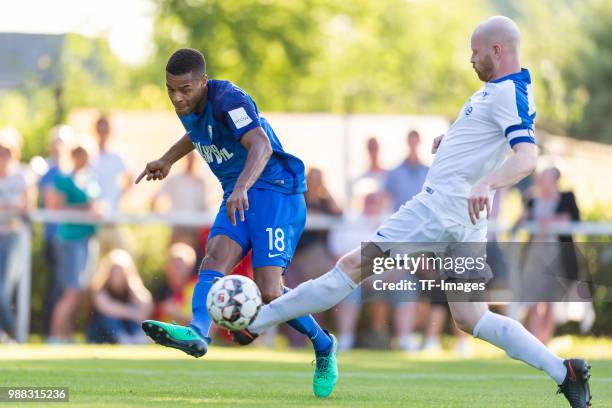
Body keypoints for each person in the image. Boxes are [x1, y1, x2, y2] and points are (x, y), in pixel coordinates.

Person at [234, 16, 591, 407]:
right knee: (471, 318)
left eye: (475, 51)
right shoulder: (499, 89)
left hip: (440, 209)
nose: (470, 59)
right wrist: (452, 138)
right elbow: (487, 137)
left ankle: (255, 322)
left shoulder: (508, 93)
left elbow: (526, 156)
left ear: (497, 50)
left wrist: (487, 183)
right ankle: (565, 371)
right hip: (465, 220)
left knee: (352, 267)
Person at [136, 48, 337, 397]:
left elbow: (260, 145)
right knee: (214, 257)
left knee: (270, 289)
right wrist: (167, 160)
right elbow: (198, 134)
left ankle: (323, 345)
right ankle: (198, 332)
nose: (177, 98)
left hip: (276, 191)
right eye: (171, 90)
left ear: (203, 81)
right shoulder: (190, 106)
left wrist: (241, 186)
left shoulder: (228, 98)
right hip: (239, 191)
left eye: (185, 89)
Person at [519, 167, 581, 344]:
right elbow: (523, 221)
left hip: (557, 255)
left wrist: (551, 221)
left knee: (551, 298)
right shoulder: (532, 200)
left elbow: (573, 219)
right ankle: (534, 341)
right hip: (535, 255)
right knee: (532, 297)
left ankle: (544, 340)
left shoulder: (566, 198)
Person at [48, 139, 101, 343]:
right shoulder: (64, 179)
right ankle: (55, 334)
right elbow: (56, 207)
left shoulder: (90, 179)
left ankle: (66, 334)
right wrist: (86, 210)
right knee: (71, 289)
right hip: (71, 240)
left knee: (78, 291)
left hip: (87, 239)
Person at [87, 249, 152, 344]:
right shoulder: (100, 288)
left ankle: (137, 336)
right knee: (109, 317)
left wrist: (132, 286)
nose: (117, 275)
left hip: (126, 328)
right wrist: (133, 313)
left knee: (132, 310)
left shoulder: (130, 289)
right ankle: (122, 337)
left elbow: (146, 308)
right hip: (101, 332)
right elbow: (107, 308)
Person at [0, 134, 28, 342]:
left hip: (13, 237)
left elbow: (26, 207)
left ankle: (13, 334)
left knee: (4, 289)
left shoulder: (20, 177)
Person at [150, 151, 208, 248]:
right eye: (189, 159)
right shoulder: (174, 180)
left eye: (193, 160)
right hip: (178, 228)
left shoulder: (201, 182)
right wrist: (161, 217)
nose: (191, 162)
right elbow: (155, 199)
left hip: (195, 231)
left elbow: (204, 206)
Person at [153, 243, 198, 326]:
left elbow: (210, 327)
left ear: (190, 267)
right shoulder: (161, 291)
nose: (175, 268)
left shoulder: (199, 289)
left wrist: (177, 314)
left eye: (180, 264)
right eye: (172, 262)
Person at [384, 130, 429, 211]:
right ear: (407, 141)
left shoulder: (428, 172)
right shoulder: (394, 173)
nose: (413, 143)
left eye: (415, 140)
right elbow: (386, 200)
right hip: (400, 220)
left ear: (419, 141)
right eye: (411, 140)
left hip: (423, 220)